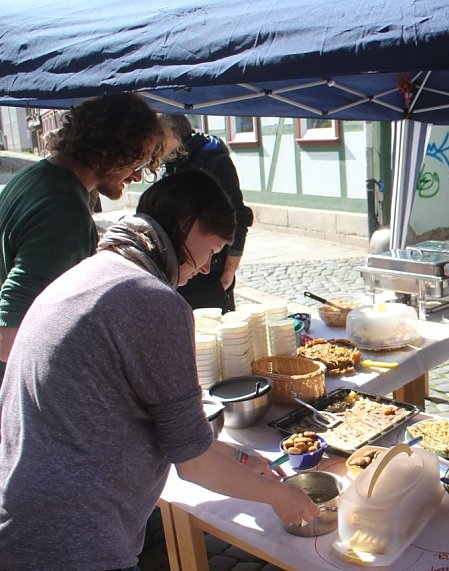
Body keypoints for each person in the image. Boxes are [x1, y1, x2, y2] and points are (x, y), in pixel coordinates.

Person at [0, 170, 318, 570]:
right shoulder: (150, 299)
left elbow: (174, 435)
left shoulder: (92, 271)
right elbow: (193, 465)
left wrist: (239, 459)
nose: (206, 268)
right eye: (213, 249)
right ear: (186, 226)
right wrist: (280, 497)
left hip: (25, 520)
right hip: (75, 538)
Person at [0, 93, 165, 379]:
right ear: (108, 150)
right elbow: (8, 333)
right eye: (136, 162)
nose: (137, 177)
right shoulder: (63, 210)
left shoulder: (36, 177)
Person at [161, 113, 254, 313]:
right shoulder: (171, 162)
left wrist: (229, 271)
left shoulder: (214, 160)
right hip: (181, 272)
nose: (153, 145)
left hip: (210, 274)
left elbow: (240, 216)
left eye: (158, 136)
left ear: (174, 135)